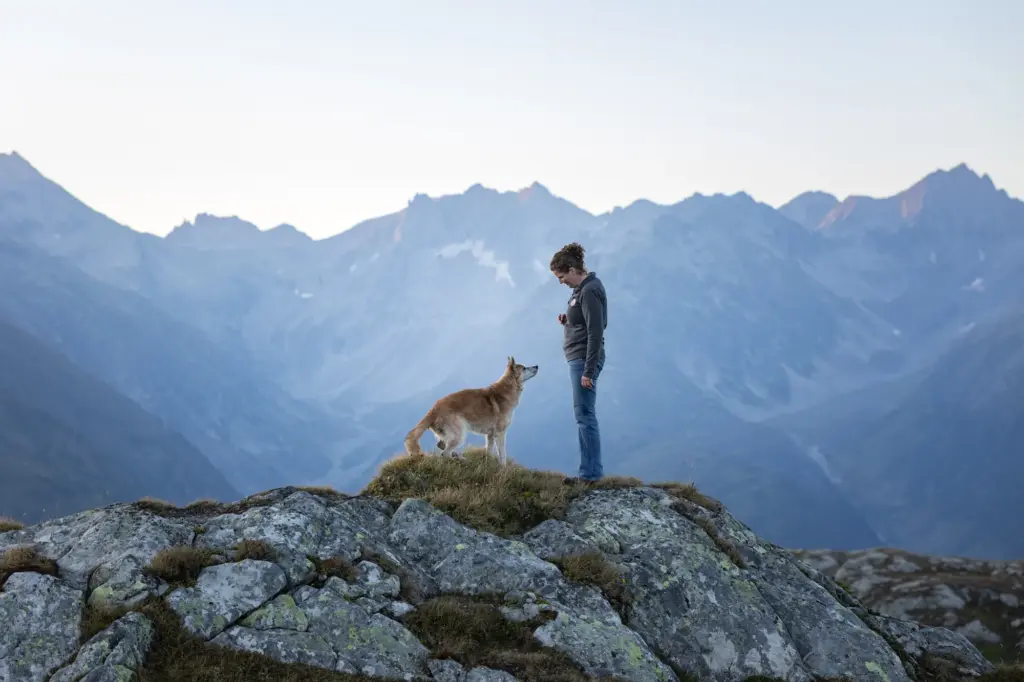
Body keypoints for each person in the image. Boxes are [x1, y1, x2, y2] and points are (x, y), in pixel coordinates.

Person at [550, 241, 607, 484]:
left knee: (585, 416)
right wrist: (568, 322)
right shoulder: (580, 289)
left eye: (561, 276)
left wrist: (589, 371)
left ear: (572, 270)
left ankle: (591, 475)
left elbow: (596, 331)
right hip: (578, 358)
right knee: (582, 415)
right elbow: (584, 321)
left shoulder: (589, 290)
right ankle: (588, 472)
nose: (560, 281)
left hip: (584, 360)